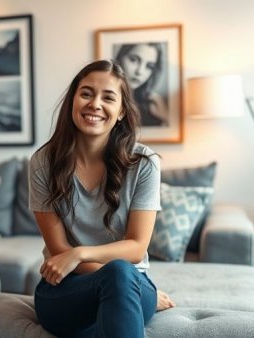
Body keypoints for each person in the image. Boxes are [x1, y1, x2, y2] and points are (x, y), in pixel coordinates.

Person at [29, 59, 175, 338]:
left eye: (108, 97)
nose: (95, 104)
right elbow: (59, 249)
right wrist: (116, 281)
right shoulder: (43, 162)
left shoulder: (144, 163)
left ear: (121, 112)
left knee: (121, 272)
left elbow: (136, 247)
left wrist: (81, 253)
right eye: (86, 93)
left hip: (129, 281)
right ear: (73, 100)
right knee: (119, 274)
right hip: (66, 290)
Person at [115, 43, 169, 127]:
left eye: (149, 66)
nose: (140, 71)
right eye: (134, 60)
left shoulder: (154, 104)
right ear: (120, 57)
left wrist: (165, 118)